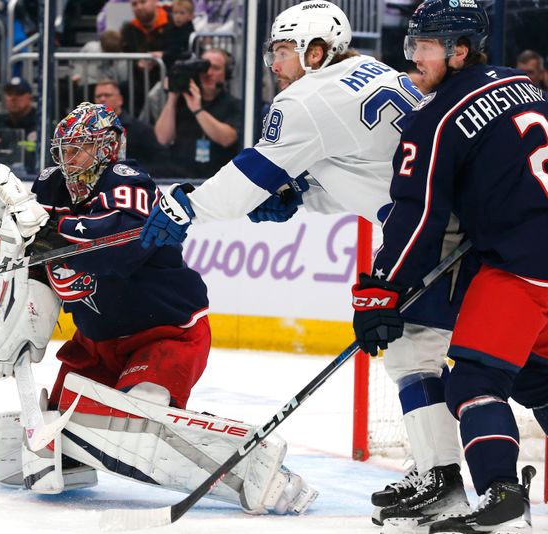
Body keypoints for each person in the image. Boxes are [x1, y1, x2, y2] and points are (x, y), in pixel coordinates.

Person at [140, 1, 476, 529]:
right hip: (457, 218)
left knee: (416, 354)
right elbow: (361, 168)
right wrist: (302, 194)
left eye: (283, 50)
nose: (274, 64)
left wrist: (186, 206)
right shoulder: (371, 72)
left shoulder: (307, 97)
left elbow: (247, 178)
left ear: (316, 52)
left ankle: (443, 479)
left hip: (436, 230)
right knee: (431, 351)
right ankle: (439, 471)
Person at [0, 102, 318, 514]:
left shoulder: (128, 181)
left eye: (81, 148)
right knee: (69, 425)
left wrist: (47, 229)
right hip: (96, 342)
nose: (70, 159)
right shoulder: (50, 187)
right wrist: (18, 320)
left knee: (137, 423)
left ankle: (258, 475)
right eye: (65, 149)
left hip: (166, 334)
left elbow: (115, 249)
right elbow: (33, 263)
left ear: (108, 149)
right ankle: (77, 459)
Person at [351, 1, 548, 532]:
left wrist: (383, 288)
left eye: (425, 46)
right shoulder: (523, 83)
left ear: (459, 50)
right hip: (535, 251)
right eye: (411, 43)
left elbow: (419, 218)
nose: (412, 57)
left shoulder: (434, 116)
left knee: (473, 382)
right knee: (539, 378)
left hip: (524, 267)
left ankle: (502, 496)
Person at [153, 47, 241, 178]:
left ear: (226, 74)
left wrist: (197, 109)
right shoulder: (182, 100)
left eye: (215, 68)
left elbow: (227, 139)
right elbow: (162, 138)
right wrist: (172, 98)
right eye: (203, 67)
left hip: (215, 177)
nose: (208, 73)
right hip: (179, 175)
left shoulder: (233, 104)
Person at [93, 79, 169, 175]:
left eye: (107, 95)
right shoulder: (88, 131)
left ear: (120, 100)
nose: (102, 99)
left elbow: (162, 162)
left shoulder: (141, 130)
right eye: (98, 96)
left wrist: (134, 172)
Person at [0, 77, 37, 174]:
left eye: (19, 94)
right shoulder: (1, 122)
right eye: (9, 94)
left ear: (30, 98)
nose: (13, 98)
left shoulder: (41, 124)